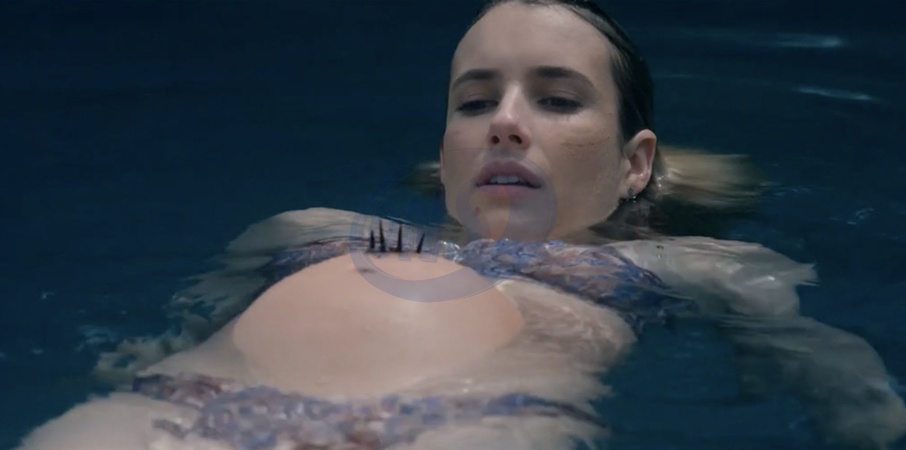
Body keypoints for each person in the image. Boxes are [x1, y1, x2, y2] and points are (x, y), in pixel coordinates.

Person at [19, 1, 906, 449]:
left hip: (464, 423)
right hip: (191, 411)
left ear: (635, 165)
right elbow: (194, 315)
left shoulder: (703, 262)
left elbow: (828, 366)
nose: (505, 122)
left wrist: (868, 409)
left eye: (556, 100)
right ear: (444, 155)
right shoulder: (306, 226)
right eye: (475, 102)